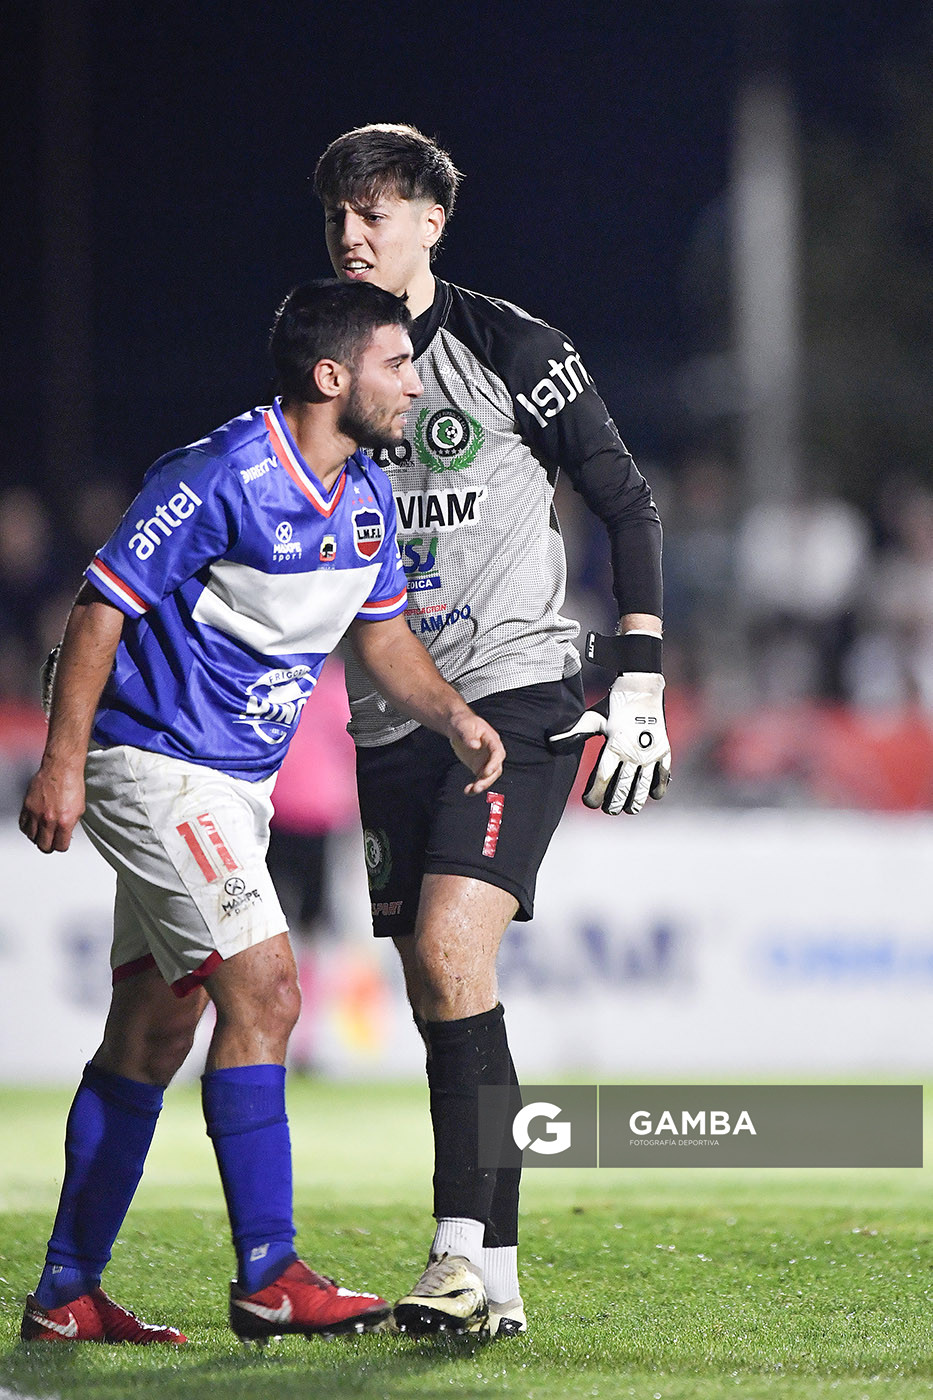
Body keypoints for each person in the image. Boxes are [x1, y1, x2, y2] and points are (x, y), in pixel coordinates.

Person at [17, 279, 505, 1346]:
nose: (414, 381)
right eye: (395, 363)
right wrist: (61, 762)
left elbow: (381, 638)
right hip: (155, 765)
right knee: (270, 989)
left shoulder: (366, 492)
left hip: (237, 787)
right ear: (330, 376)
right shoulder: (222, 473)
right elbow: (101, 605)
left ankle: (64, 1292)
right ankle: (269, 1272)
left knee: (153, 1029)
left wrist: (454, 715)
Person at [313, 124, 671, 1338]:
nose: (354, 235)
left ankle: (457, 1249)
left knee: (459, 948)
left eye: (376, 213)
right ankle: (495, 1279)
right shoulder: (319, 363)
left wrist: (640, 680)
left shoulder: (517, 348)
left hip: (515, 694)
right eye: (339, 219)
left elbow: (625, 499)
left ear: (431, 221)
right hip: (390, 713)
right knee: (433, 982)